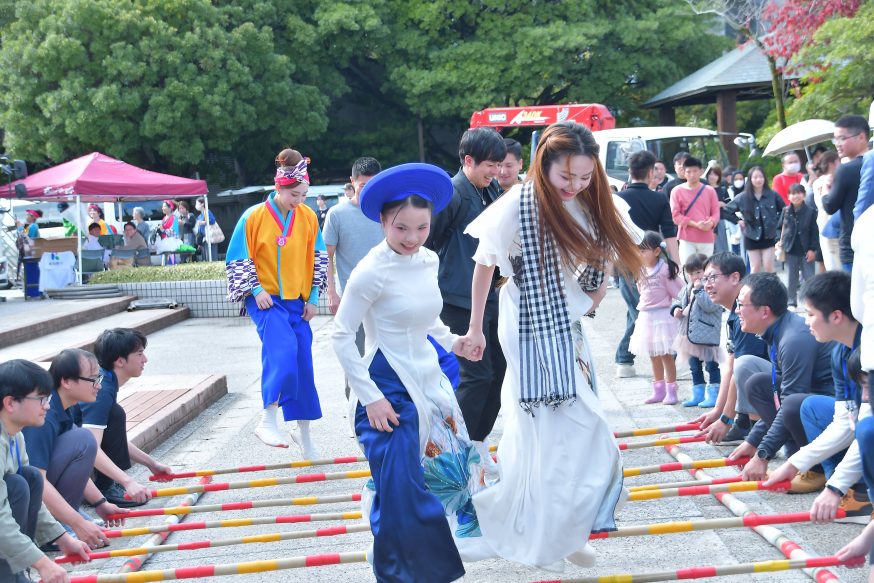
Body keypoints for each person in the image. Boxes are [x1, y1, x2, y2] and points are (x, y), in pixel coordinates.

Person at [465, 121, 643, 569]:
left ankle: (567, 525)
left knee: (576, 426)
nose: (575, 185)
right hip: (526, 322)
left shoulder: (595, 199)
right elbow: (485, 264)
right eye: (566, 176)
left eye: (584, 176)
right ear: (543, 164)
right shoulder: (517, 204)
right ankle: (555, 529)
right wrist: (475, 328)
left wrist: (594, 294)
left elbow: (613, 252)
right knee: (550, 427)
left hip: (566, 324)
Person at [333, 163, 482, 583]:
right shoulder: (370, 271)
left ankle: (392, 549)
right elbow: (340, 336)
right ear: (383, 220)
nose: (412, 237)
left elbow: (428, 318)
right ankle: (402, 572)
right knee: (402, 484)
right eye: (401, 228)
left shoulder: (428, 259)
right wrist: (370, 398)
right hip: (386, 386)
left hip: (429, 380)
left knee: (447, 474)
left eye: (422, 227)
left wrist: (454, 342)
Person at [225, 151, 327, 456]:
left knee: (303, 364)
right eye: (294, 195)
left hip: (298, 301)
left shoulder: (308, 217)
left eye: (304, 195)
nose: (300, 201)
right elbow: (238, 256)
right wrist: (256, 289)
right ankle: (267, 419)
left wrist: (313, 297)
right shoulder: (253, 216)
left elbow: (318, 257)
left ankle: (303, 432)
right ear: (278, 187)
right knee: (282, 351)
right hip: (265, 300)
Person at [425, 128, 507, 467]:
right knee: (477, 376)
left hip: (491, 296)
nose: (496, 171)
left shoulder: (491, 190)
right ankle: (454, 450)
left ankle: (477, 443)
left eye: (499, 165)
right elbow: (427, 241)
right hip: (457, 298)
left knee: (500, 372)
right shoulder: (452, 193)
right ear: (468, 160)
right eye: (490, 165)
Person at [761, 273, 869, 515]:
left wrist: (835, 488)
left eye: (810, 314)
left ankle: (859, 493)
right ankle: (851, 492)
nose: (806, 321)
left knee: (866, 429)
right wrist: (794, 464)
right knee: (811, 409)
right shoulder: (839, 353)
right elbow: (844, 423)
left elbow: (864, 428)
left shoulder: (868, 351)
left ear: (836, 316)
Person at [726, 273, 835, 482]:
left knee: (791, 402)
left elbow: (789, 401)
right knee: (758, 384)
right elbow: (779, 393)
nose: (737, 310)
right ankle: (798, 454)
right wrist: (753, 441)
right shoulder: (778, 331)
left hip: (833, 415)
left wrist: (763, 454)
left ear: (765, 311)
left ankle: (817, 468)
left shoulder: (793, 339)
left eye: (741, 304)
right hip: (811, 405)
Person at [22, 349, 128, 548]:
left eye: (99, 378)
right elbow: (37, 478)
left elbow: (74, 462)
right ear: (66, 381)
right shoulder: (44, 414)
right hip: (22, 500)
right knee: (83, 440)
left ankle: (65, 520)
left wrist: (100, 503)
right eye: (93, 379)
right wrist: (77, 524)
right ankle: (51, 531)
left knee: (82, 441)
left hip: (33, 492)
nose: (99, 385)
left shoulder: (68, 406)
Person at [0, 359, 90, 583]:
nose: (47, 406)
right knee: (18, 484)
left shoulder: (15, 435)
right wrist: (42, 563)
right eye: (41, 399)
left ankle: (14, 571)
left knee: (30, 478)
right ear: (10, 403)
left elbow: (35, 501)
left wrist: (61, 538)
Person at [81, 329, 172, 507]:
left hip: (72, 449)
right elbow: (91, 447)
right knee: (116, 414)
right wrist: (128, 482)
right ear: (120, 361)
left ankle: (107, 484)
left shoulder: (105, 381)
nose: (145, 359)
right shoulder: (101, 390)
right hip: (56, 457)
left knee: (114, 414)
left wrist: (151, 464)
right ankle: (105, 487)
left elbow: (114, 438)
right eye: (139, 354)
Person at [323, 157, 385, 399]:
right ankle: (355, 410)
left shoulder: (386, 211)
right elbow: (326, 257)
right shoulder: (337, 214)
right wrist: (331, 292)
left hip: (384, 295)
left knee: (384, 356)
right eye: (362, 185)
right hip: (352, 297)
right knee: (355, 357)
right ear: (352, 181)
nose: (367, 190)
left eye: (373, 184)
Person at [615, 150, 678, 378]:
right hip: (653, 260)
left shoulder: (618, 199)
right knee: (643, 311)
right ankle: (667, 357)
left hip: (625, 262)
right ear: (651, 172)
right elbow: (669, 233)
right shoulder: (659, 198)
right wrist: (675, 263)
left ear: (629, 172)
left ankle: (625, 359)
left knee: (639, 308)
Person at [695, 253, 770, 446]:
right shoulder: (735, 313)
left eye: (713, 277)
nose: (707, 285)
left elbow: (742, 370)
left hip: (783, 388)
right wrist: (718, 411)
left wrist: (726, 419)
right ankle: (744, 422)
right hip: (766, 383)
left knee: (746, 367)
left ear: (735, 277)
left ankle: (758, 431)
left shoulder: (747, 312)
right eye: (705, 279)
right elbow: (730, 367)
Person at [630, 231, 685, 404]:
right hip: (646, 317)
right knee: (653, 354)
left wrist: (682, 307)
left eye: (643, 251)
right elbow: (641, 291)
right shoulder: (640, 270)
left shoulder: (664, 270)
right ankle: (658, 390)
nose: (639, 254)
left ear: (656, 251)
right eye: (638, 251)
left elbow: (679, 291)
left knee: (666, 355)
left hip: (662, 316)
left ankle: (671, 390)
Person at [671, 253, 724, 408]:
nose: (695, 276)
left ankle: (714, 395)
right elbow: (677, 300)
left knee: (711, 366)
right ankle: (698, 394)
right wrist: (676, 309)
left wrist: (699, 290)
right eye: (691, 273)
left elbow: (710, 306)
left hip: (707, 335)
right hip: (689, 336)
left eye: (698, 272)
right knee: (694, 367)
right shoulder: (687, 288)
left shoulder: (712, 288)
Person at [822, 114, 871, 271]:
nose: (837, 144)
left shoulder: (845, 170)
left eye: (842, 138)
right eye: (835, 139)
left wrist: (825, 191)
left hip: (854, 244)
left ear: (861, 137)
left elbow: (830, 206)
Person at [725, 166, 785, 273]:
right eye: (755, 177)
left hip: (769, 236)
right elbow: (726, 210)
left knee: (768, 266)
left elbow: (784, 210)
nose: (758, 180)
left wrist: (775, 222)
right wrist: (738, 220)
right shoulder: (743, 197)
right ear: (750, 179)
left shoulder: (772, 195)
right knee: (755, 267)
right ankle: (755, 284)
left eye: (761, 177)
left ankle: (772, 284)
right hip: (751, 235)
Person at [669, 156, 720, 263]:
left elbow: (716, 213)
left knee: (705, 268)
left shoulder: (710, 191)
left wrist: (710, 223)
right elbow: (675, 216)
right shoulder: (677, 191)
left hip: (706, 237)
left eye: (695, 171)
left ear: (701, 171)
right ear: (684, 172)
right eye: (689, 172)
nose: (692, 175)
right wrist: (696, 225)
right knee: (687, 267)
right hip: (686, 237)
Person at [779, 183, 820, 307]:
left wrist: (812, 249)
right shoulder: (785, 211)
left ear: (804, 195)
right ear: (788, 196)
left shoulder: (811, 212)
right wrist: (778, 241)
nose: (796, 196)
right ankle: (791, 301)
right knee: (791, 277)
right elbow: (779, 228)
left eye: (798, 193)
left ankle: (811, 302)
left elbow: (815, 232)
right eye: (792, 193)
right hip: (790, 249)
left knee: (809, 277)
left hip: (806, 250)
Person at [812, 151, 843, 271]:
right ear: (832, 163)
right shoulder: (833, 179)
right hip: (834, 223)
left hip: (823, 225)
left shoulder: (816, 182)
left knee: (831, 262)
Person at [704, 163, 731, 254]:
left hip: (721, 220)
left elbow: (730, 205)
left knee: (722, 246)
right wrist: (716, 204)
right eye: (711, 174)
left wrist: (723, 204)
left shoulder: (723, 190)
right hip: (706, 220)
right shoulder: (703, 189)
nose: (712, 177)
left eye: (715, 174)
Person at [194, 197, 218, 261]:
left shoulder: (207, 212)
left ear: (202, 204)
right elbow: (199, 229)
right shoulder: (200, 216)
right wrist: (199, 242)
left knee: (212, 256)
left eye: (197, 203)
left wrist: (204, 222)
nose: (196, 205)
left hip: (210, 237)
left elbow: (213, 220)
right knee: (206, 257)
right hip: (204, 238)